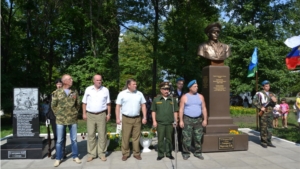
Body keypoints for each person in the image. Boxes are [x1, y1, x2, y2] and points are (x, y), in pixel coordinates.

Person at [51, 74, 81, 167]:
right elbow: (53, 105)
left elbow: (78, 104)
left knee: (74, 139)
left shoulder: (74, 91)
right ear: (65, 81)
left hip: (72, 119)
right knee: (59, 140)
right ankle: (58, 158)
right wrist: (58, 114)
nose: (72, 80)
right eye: (70, 79)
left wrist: (75, 112)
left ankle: (75, 156)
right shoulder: (57, 92)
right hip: (61, 120)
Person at [115, 78, 147, 161]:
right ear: (129, 85)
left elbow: (143, 105)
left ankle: (136, 153)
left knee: (136, 137)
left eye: (136, 84)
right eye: (134, 84)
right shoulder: (122, 94)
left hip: (137, 118)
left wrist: (145, 117)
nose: (136, 85)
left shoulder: (139, 94)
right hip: (126, 118)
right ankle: (125, 153)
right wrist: (118, 118)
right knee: (126, 137)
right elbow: (117, 106)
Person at [82, 74, 111, 162]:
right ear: (93, 81)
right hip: (90, 114)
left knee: (102, 134)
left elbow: (108, 103)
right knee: (91, 134)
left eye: (100, 80)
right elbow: (84, 103)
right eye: (97, 80)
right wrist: (84, 113)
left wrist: (109, 114)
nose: (99, 81)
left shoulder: (105, 90)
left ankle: (102, 153)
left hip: (101, 114)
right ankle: (92, 154)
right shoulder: (88, 89)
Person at [179, 80, 207, 160]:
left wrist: (205, 119)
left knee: (198, 137)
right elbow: (181, 109)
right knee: (186, 138)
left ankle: (198, 152)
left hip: (198, 120)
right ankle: (186, 153)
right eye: (195, 86)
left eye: (197, 86)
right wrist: (181, 120)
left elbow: (204, 108)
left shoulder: (201, 96)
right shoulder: (184, 97)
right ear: (190, 88)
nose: (197, 88)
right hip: (187, 119)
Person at [151, 82, 178, 161]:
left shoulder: (172, 99)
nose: (166, 91)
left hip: (170, 123)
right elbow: (153, 111)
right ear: (161, 90)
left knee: (170, 139)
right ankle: (160, 154)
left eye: (167, 89)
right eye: (164, 89)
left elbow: (175, 111)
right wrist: (154, 121)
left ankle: (169, 153)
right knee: (160, 139)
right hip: (160, 123)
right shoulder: (156, 99)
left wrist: (175, 121)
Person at [46, 79, 67, 159]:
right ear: (56, 85)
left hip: (63, 117)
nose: (59, 85)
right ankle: (57, 152)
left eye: (60, 84)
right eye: (57, 84)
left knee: (63, 134)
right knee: (55, 135)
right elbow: (50, 106)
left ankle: (63, 151)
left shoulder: (65, 93)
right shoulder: (53, 94)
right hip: (53, 117)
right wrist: (47, 115)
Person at [253, 80, 277, 148]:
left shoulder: (271, 94)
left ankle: (269, 141)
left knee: (270, 127)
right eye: (266, 86)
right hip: (263, 112)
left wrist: (274, 101)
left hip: (270, 112)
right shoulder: (259, 93)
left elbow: (274, 104)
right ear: (263, 87)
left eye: (268, 86)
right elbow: (254, 102)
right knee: (263, 127)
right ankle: (264, 142)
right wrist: (260, 107)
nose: (268, 87)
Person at [173, 77, 185, 151]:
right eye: (179, 83)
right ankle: (174, 146)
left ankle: (180, 146)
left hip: (182, 113)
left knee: (181, 131)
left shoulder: (185, 93)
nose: (180, 85)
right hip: (174, 112)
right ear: (176, 84)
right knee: (174, 131)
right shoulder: (173, 93)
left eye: (182, 84)